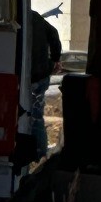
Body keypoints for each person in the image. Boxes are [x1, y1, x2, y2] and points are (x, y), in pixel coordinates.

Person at [29, 10, 63, 157]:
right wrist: (55, 59)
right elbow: (53, 33)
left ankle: (39, 152)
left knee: (34, 116)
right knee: (36, 115)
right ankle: (39, 153)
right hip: (42, 72)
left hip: (34, 74)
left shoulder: (22, 16)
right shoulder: (35, 17)